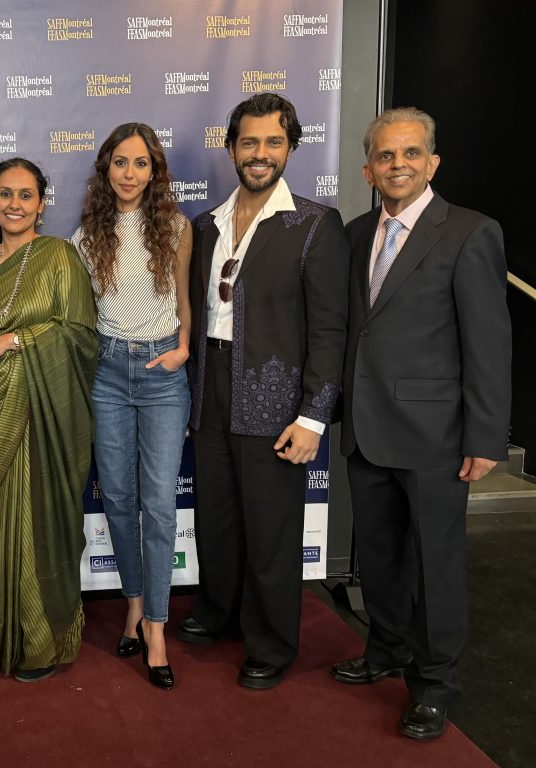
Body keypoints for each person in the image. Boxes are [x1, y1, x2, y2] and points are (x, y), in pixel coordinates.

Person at [331, 107, 511, 740]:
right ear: (368, 168)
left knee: (435, 565)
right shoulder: (354, 234)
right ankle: (385, 651)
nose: (397, 164)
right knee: (377, 557)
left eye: (410, 153)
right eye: (385, 155)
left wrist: (486, 436)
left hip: (437, 437)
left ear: (432, 162)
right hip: (367, 428)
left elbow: (488, 342)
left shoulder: (469, 232)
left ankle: (435, 683)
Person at [182, 93, 349, 689]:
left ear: (290, 148)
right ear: (231, 148)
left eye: (272, 142)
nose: (259, 154)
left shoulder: (314, 224)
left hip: (277, 400)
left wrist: (313, 417)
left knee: (272, 527)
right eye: (248, 142)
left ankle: (272, 644)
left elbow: (330, 330)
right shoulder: (204, 225)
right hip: (209, 388)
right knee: (217, 519)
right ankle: (219, 612)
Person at [0, 157, 97, 682]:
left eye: (25, 195)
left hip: (46, 418)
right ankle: (1, 633)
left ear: (42, 202)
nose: (15, 204)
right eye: (4, 194)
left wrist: (16, 340)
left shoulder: (61, 257)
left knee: (39, 522)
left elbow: (82, 337)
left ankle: (42, 640)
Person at [71, 123, 192, 690]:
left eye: (140, 163)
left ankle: (159, 630)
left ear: (154, 170)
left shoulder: (176, 227)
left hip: (163, 371)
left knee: (160, 506)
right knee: (119, 500)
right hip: (108, 373)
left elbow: (185, 298)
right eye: (120, 162)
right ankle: (134, 606)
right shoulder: (85, 234)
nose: (129, 173)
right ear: (107, 169)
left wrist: (183, 349)